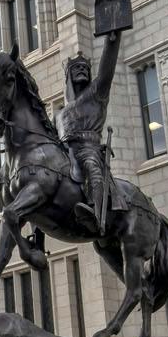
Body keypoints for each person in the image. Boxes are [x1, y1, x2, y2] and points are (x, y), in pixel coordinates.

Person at [57, 27, 123, 235]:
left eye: (84, 68)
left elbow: (106, 70)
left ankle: (95, 214)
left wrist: (112, 41)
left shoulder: (97, 94)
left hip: (88, 148)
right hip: (65, 152)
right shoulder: (60, 114)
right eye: (76, 68)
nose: (81, 70)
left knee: (93, 169)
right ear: (68, 76)